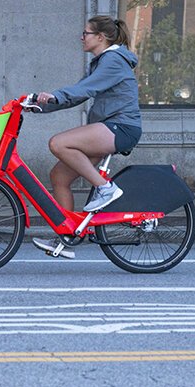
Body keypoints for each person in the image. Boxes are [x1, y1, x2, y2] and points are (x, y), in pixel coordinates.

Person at [30, 15, 142, 259]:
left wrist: (54, 95)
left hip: (120, 127)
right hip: (107, 127)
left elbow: (85, 89)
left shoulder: (113, 59)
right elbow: (79, 95)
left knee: (59, 143)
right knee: (58, 176)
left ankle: (106, 189)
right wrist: (41, 105)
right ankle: (67, 235)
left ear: (100, 37)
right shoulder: (102, 62)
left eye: (86, 33)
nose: (81, 37)